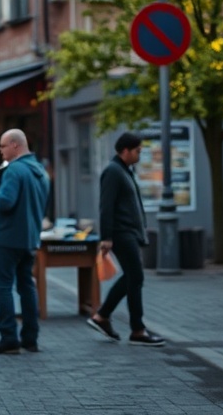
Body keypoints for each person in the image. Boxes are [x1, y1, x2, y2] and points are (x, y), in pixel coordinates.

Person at [86, 131, 165, 347]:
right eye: (138, 151)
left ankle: (102, 316)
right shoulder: (113, 171)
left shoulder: (123, 170)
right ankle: (137, 330)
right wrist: (107, 237)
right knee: (135, 276)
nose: (140, 155)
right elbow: (106, 206)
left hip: (128, 232)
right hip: (121, 233)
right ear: (126, 151)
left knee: (133, 277)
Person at [0, 129, 50, 354]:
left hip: (8, 238)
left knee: (2, 286)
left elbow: (5, 203)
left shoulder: (14, 170)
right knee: (27, 286)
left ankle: (9, 337)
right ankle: (30, 338)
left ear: (15, 145)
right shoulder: (40, 171)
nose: (0, 150)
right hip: (29, 238)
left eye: (2, 146)